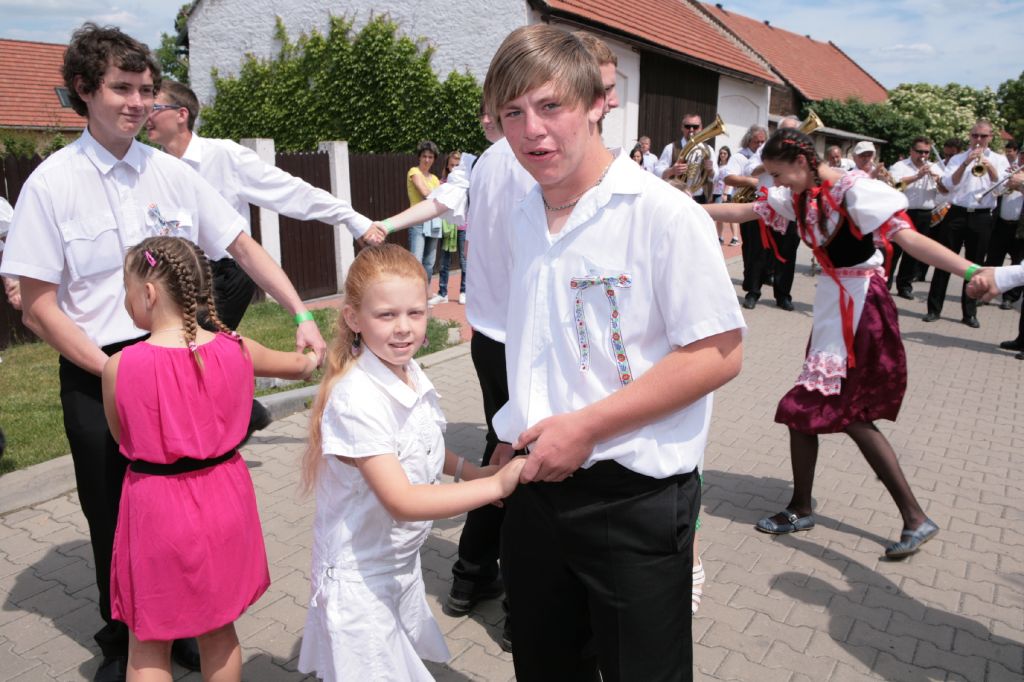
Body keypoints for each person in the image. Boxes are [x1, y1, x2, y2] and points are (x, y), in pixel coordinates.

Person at [0, 24, 326, 682]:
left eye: (146, 90)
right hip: (99, 368)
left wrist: (300, 312)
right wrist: (113, 373)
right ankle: (123, 639)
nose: (137, 102)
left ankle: (191, 625)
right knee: (113, 512)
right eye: (121, 88)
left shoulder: (174, 174)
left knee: (189, 509)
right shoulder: (51, 184)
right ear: (84, 89)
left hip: (183, 364)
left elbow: (242, 246)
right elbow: (36, 303)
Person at [485, 25, 745, 680]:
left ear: (595, 103)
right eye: (512, 113)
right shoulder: (523, 214)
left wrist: (586, 428)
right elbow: (538, 340)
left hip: (632, 502)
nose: (532, 131)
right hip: (535, 487)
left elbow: (719, 352)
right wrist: (512, 429)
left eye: (550, 106)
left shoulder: (663, 214)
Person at [371, 31, 622, 651]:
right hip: (526, 336)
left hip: (489, 334)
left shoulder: (485, 162)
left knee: (502, 448)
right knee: (526, 465)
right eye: (605, 88)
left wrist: (386, 224)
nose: (610, 102)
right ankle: (518, 605)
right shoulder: (543, 165)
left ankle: (470, 575)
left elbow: (442, 203)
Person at [705, 128, 981, 560]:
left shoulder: (854, 191)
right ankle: (821, 508)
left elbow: (909, 238)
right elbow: (746, 210)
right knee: (813, 412)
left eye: (779, 173)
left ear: (801, 163)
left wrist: (972, 272)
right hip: (836, 308)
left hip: (862, 308)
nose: (776, 182)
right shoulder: (803, 195)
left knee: (837, 412)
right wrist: (681, 207)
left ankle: (904, 516)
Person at [295, 244, 525, 681]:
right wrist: (496, 486)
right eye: (386, 315)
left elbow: (422, 443)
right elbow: (401, 501)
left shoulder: (407, 370)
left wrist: (471, 472)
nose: (403, 328)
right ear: (353, 318)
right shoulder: (358, 398)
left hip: (397, 566)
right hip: (361, 581)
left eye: (415, 313)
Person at [100, 236, 317, 681]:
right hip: (224, 501)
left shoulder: (119, 367)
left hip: (156, 507)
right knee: (219, 630)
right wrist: (313, 349)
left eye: (126, 289)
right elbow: (300, 367)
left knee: (148, 639)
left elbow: (124, 437)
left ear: (149, 293)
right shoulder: (237, 348)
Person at [925, 119, 1010, 327]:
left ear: (990, 137)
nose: (978, 139)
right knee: (944, 261)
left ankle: (969, 313)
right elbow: (948, 184)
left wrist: (990, 167)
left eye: (983, 136)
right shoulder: (958, 158)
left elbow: (1002, 189)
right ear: (970, 136)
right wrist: (965, 163)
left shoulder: (999, 160)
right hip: (957, 214)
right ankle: (934, 309)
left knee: (975, 266)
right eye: (975, 135)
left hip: (982, 216)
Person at [887, 137, 943, 299]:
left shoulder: (935, 167)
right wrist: (917, 176)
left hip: (924, 214)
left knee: (914, 252)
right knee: (894, 251)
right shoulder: (900, 166)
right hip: (903, 213)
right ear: (911, 151)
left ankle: (905, 286)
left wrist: (938, 180)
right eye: (919, 152)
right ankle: (885, 284)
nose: (923, 155)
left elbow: (945, 191)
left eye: (926, 152)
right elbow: (895, 185)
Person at [985, 140, 1022, 309]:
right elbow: (995, 191)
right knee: (993, 260)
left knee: (1017, 263)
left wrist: (1020, 185)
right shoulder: (1009, 169)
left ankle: (1010, 297)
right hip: (1000, 224)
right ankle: (986, 291)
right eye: (1022, 155)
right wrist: (1005, 180)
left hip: (1020, 228)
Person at [431, 150, 468, 305]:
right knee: (444, 261)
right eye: (451, 165)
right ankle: (443, 293)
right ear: (447, 166)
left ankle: (464, 291)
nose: (454, 168)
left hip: (463, 227)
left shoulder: (466, 184)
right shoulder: (442, 183)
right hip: (446, 228)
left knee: (464, 261)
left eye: (457, 165)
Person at [655, 113, 717, 203]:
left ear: (701, 128)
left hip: (700, 198)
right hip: (675, 196)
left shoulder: (708, 150)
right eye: (687, 126)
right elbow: (657, 172)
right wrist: (672, 170)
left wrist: (710, 170)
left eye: (695, 127)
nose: (691, 130)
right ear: (682, 128)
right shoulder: (670, 148)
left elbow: (716, 177)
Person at [406, 140, 443, 280]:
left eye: (430, 157)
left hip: (433, 221)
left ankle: (425, 291)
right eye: (424, 156)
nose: (427, 160)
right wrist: (438, 194)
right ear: (419, 157)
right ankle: (414, 292)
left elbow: (439, 197)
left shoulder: (434, 178)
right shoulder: (414, 172)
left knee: (429, 263)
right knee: (416, 261)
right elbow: (425, 193)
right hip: (417, 221)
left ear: (434, 159)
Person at [712, 145, 739, 246]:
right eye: (721, 153)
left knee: (731, 216)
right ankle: (720, 237)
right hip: (716, 192)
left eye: (725, 153)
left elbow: (729, 180)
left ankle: (735, 238)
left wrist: (725, 193)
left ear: (728, 155)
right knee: (719, 217)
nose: (722, 155)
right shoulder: (717, 166)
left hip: (726, 193)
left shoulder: (729, 166)